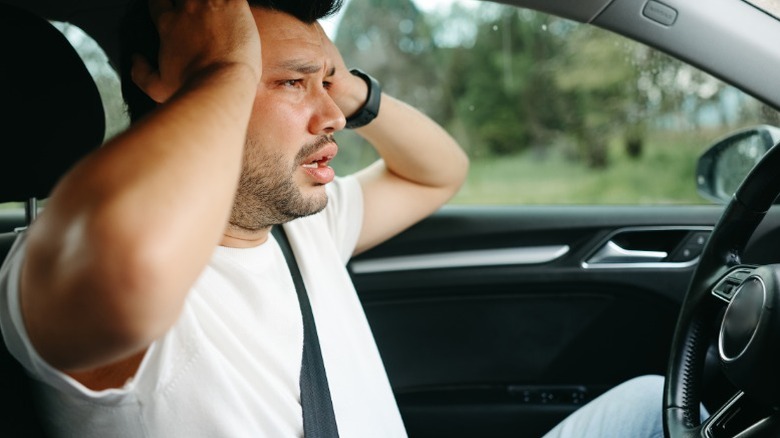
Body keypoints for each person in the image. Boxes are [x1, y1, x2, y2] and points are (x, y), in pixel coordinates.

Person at [0, 0, 674, 436]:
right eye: (291, 84)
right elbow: (124, 271)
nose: (335, 119)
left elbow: (439, 171)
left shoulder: (300, 228)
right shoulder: (50, 267)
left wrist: (331, 79)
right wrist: (229, 68)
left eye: (333, 86)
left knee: (650, 400)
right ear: (180, 85)